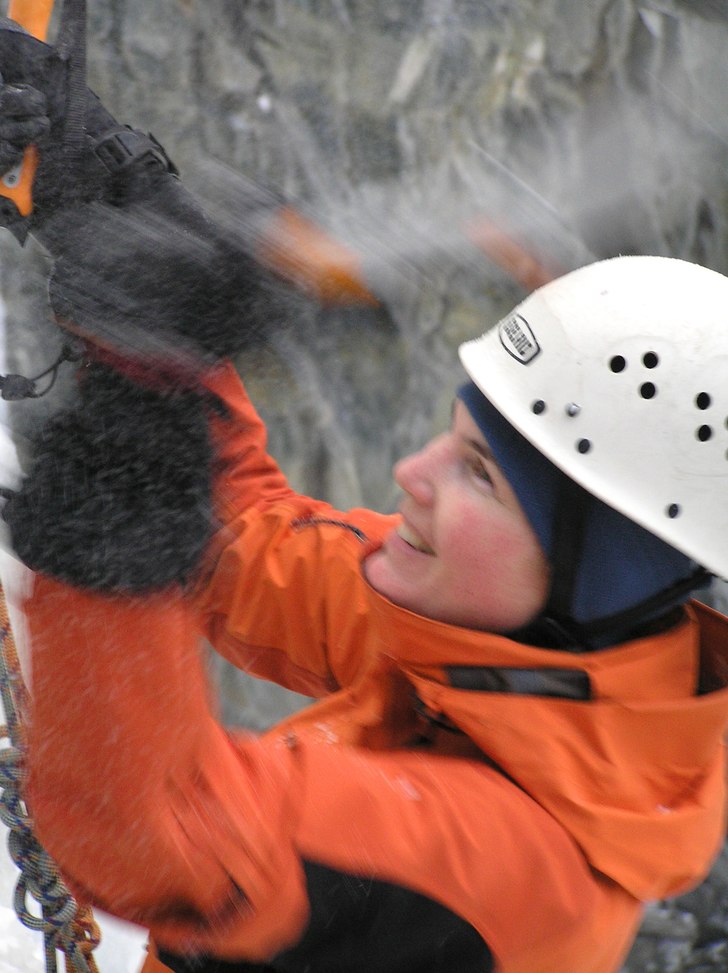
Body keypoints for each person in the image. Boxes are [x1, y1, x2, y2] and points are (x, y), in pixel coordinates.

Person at [1, 38, 728, 973]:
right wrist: (100, 196)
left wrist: (136, 424)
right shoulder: (509, 650)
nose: (410, 471)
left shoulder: (519, 869)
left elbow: (154, 833)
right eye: (454, 436)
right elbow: (245, 548)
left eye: (481, 476)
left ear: (596, 572)